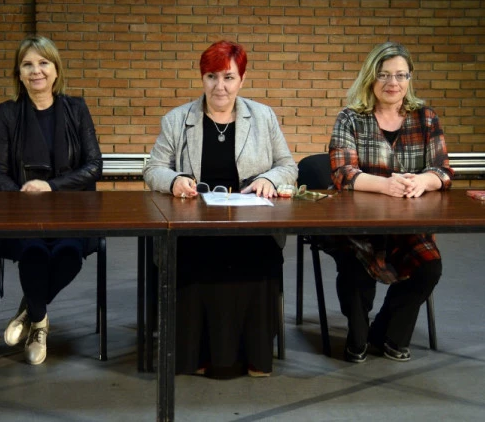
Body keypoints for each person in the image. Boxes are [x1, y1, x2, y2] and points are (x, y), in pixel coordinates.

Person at [143, 40, 298, 378]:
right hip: (193, 227)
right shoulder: (176, 120)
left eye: (229, 77)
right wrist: (174, 180)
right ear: (202, 78)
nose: (220, 86)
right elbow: (153, 169)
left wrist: (269, 179)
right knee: (192, 258)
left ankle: (254, 357)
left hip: (251, 226)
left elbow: (288, 165)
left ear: (242, 79)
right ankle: (194, 356)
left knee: (259, 257)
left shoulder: (263, 117)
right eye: (211, 77)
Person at [328, 41, 453, 363]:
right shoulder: (350, 118)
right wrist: (386, 185)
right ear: (370, 77)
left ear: (410, 78)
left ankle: (387, 333)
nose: (392, 83)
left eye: (400, 75)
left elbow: (442, 170)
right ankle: (358, 335)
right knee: (356, 273)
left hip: (408, 226)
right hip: (358, 228)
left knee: (429, 267)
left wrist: (422, 181)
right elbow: (342, 173)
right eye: (383, 75)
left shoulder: (425, 118)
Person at [0, 35, 102, 366]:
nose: (36, 70)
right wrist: (23, 197)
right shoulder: (8, 113)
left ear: (56, 70)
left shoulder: (76, 109)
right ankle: (39, 324)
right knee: (33, 251)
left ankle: (30, 309)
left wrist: (51, 187)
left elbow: (94, 166)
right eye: (27, 64)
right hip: (22, 213)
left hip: (73, 212)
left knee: (68, 255)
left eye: (43, 63)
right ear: (19, 74)